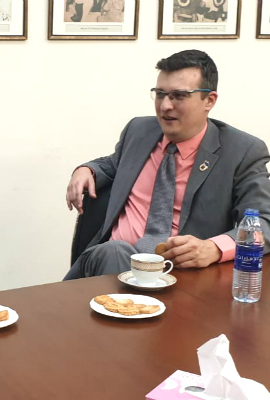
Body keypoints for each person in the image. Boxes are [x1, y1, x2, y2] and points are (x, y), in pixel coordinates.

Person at [64, 49, 270, 280]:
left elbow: (264, 223)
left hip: (181, 275)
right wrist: (87, 169)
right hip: (109, 263)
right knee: (114, 251)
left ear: (209, 100)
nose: (164, 106)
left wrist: (213, 248)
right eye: (160, 94)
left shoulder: (241, 151)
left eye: (178, 96)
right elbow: (113, 164)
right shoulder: (138, 130)